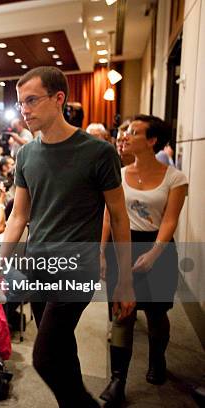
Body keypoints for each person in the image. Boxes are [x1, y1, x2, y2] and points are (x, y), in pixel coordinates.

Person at [0, 66, 135, 407]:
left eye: (31, 100)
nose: (24, 109)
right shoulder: (26, 154)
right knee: (60, 348)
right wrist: (0, 262)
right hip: (38, 267)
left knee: (43, 357)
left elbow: (118, 216)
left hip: (78, 268)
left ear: (59, 99)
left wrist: (125, 279)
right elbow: (19, 215)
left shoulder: (98, 153)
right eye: (20, 103)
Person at [99, 115, 188, 406]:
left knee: (156, 312)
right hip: (124, 244)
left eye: (133, 132)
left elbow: (170, 220)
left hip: (157, 247)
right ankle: (117, 379)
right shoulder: (119, 174)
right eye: (124, 131)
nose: (124, 136)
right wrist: (101, 251)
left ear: (152, 141)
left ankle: (157, 358)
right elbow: (109, 216)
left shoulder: (175, 178)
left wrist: (154, 253)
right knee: (121, 312)